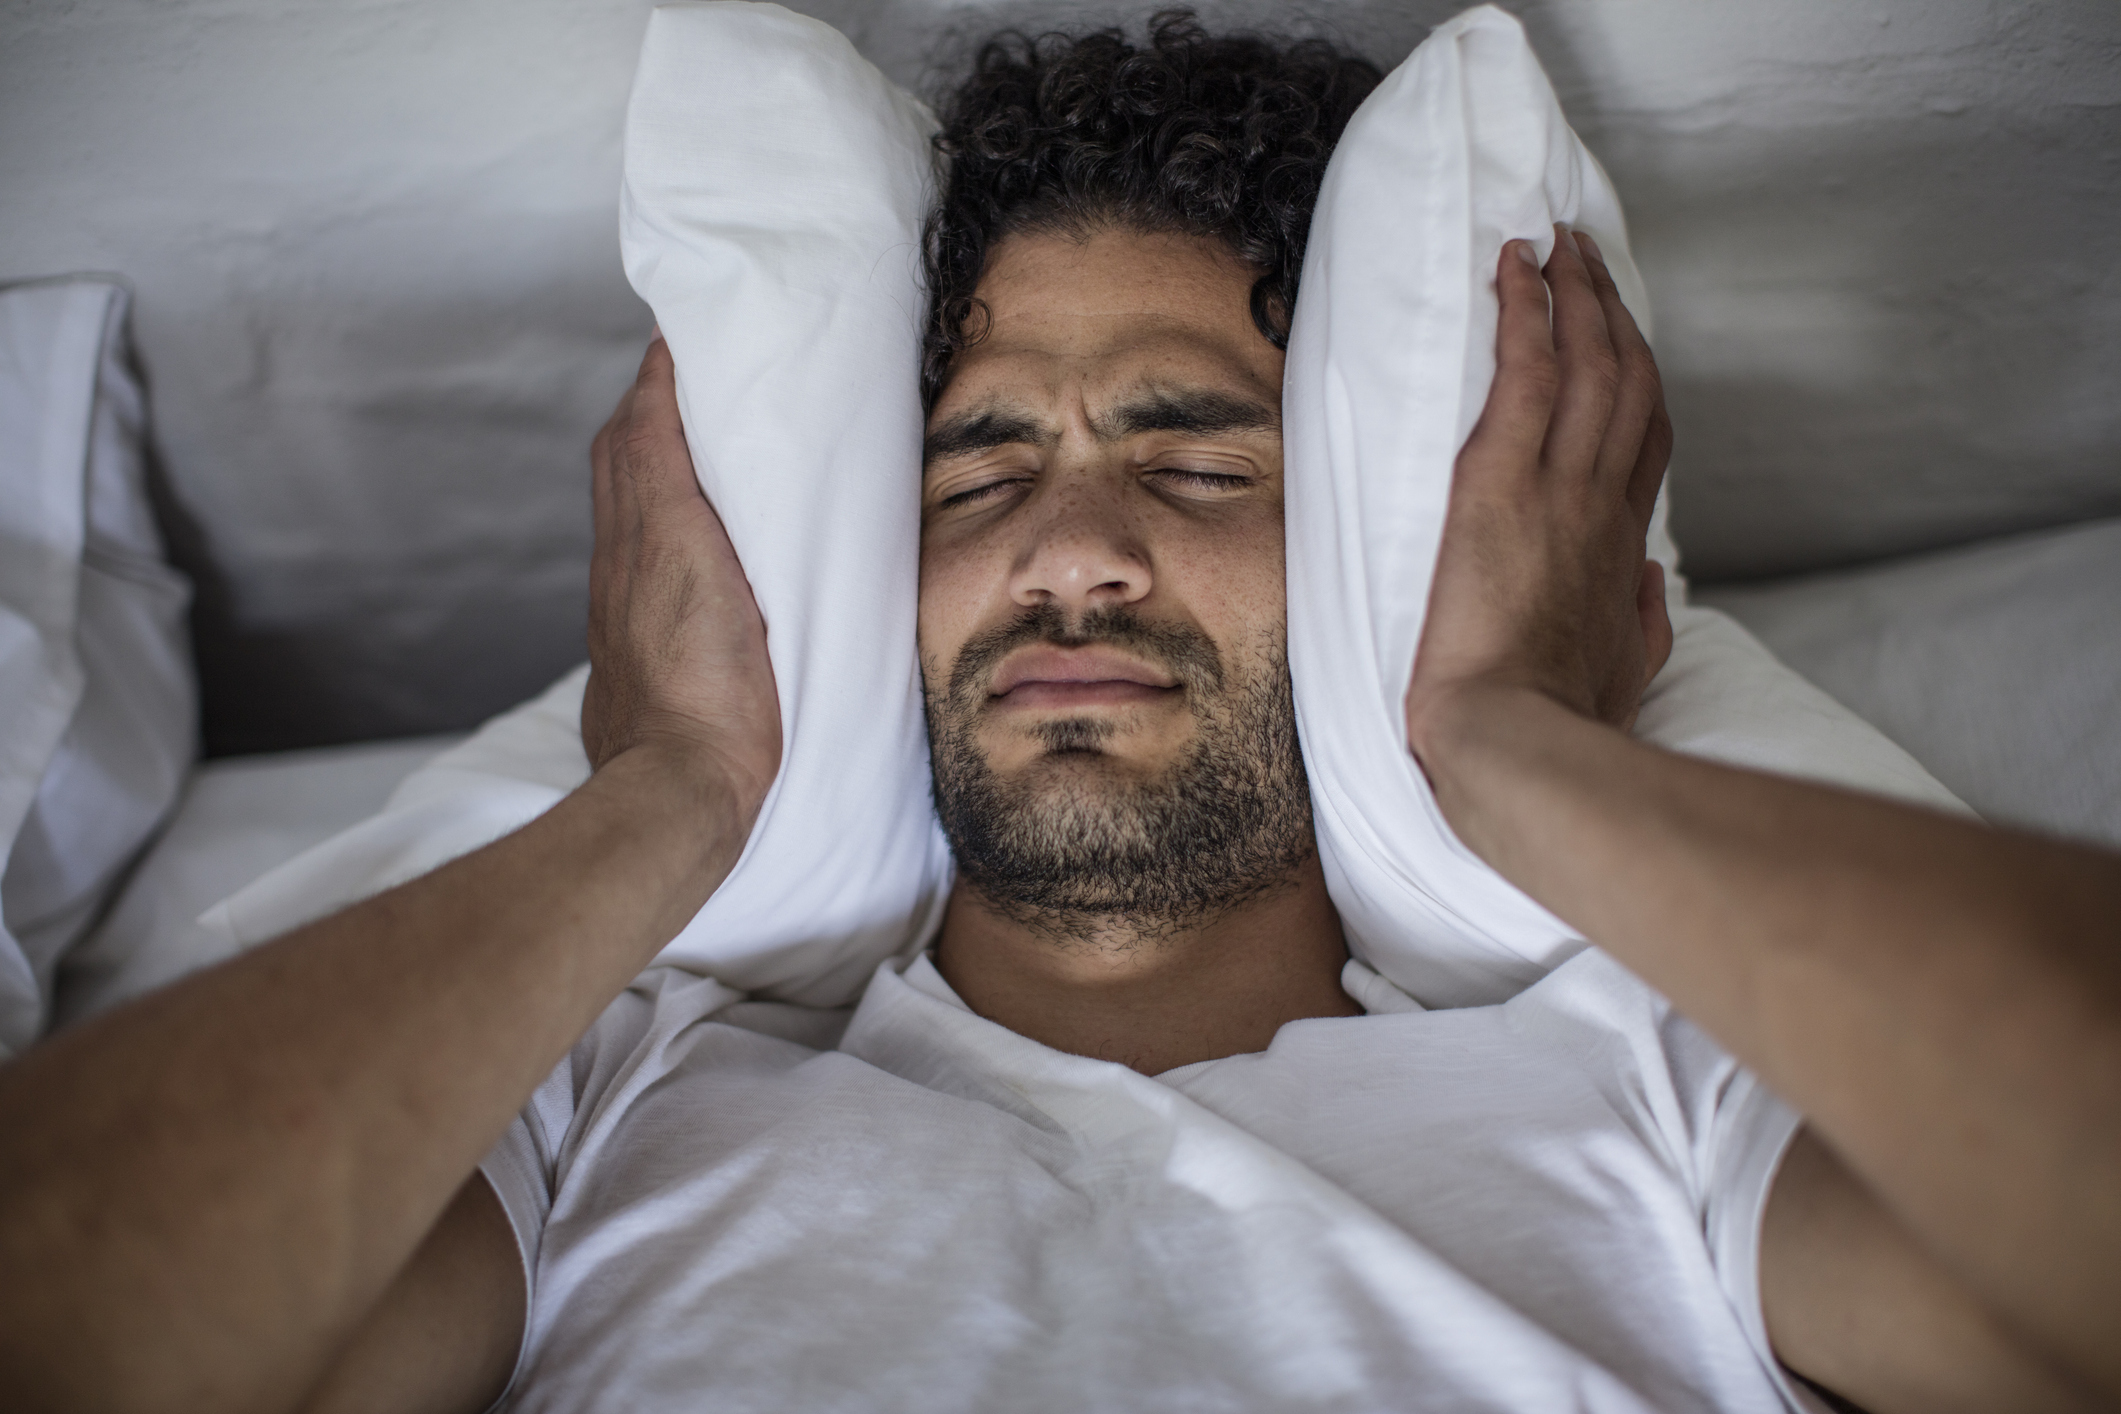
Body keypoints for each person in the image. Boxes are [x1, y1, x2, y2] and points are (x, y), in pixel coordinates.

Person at [2, 17, 2117, 1414]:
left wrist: (1503, 733)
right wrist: (670, 787)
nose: (1071, 549)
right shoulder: (616, 1091)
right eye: (974, 472)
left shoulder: (1643, 1095)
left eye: (1197, 460)